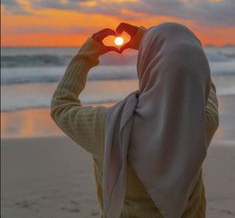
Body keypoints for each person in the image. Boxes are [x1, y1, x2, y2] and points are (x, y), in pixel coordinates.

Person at [50, 22, 219, 218]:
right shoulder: (202, 123)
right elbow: (204, 86)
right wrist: (153, 41)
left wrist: (88, 52)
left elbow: (61, 105)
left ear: (147, 64)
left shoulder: (109, 127)